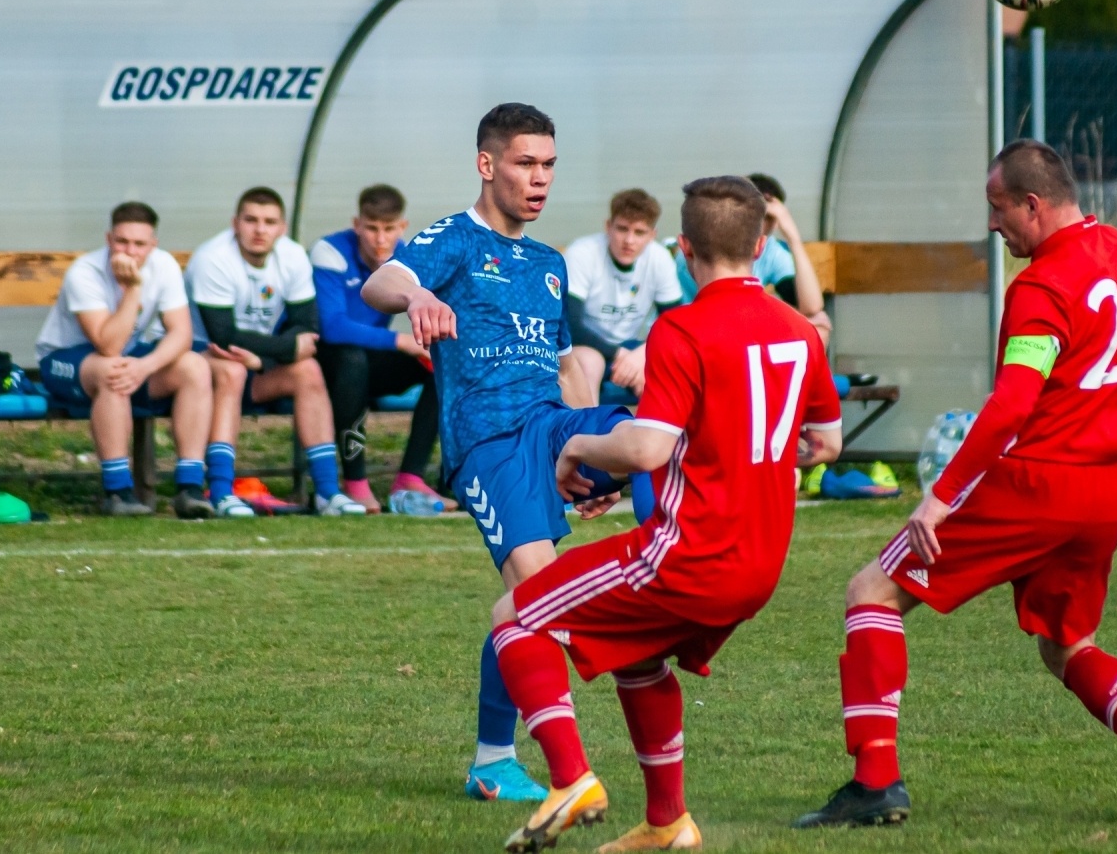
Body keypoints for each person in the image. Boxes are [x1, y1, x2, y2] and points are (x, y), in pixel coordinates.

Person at [794, 141, 1117, 828]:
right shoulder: (1116, 250)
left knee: (871, 589)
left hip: (1038, 484)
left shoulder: (1041, 287)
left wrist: (938, 495)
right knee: (1067, 643)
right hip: (1106, 492)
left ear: (1033, 204)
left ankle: (875, 784)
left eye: (998, 208)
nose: (993, 225)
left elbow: (1013, 405)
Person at [492, 175, 843, 853]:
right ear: (761, 243)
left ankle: (570, 778)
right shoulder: (803, 331)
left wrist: (575, 444)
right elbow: (825, 440)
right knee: (639, 655)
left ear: (684, 249)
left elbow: (648, 445)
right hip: (761, 564)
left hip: (689, 553)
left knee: (516, 615)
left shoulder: (682, 326)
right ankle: (667, 823)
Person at [362, 102, 655, 803]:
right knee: (539, 602)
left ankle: (659, 570)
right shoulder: (455, 239)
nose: (540, 178)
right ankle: (506, 761)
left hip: (550, 424)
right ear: (487, 164)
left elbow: (561, 366)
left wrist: (589, 449)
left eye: (549, 164)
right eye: (526, 162)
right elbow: (380, 283)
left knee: (647, 442)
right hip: (491, 444)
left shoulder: (549, 263)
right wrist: (420, 295)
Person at [188, 187, 367, 517]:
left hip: (256, 365)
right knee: (232, 369)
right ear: (235, 224)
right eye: (251, 220)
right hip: (200, 366)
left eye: (269, 222)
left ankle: (328, 493)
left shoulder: (292, 255)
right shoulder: (212, 258)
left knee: (308, 370)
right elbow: (222, 336)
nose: (259, 230)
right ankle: (222, 492)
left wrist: (265, 359)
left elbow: (306, 325)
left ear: (281, 228)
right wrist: (278, 351)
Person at [36, 201, 213, 518]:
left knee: (195, 367)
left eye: (140, 244)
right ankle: (118, 491)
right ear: (108, 239)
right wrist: (133, 290)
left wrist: (147, 366)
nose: (130, 251)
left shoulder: (165, 264)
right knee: (112, 370)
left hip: (127, 357)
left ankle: (189, 488)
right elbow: (108, 344)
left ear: (153, 245)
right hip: (63, 360)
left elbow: (181, 334)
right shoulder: (85, 271)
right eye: (122, 241)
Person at [310, 184, 448, 513]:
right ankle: (355, 483)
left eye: (389, 229)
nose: (380, 239)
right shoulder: (329, 251)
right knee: (352, 360)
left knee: (442, 364)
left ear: (402, 227)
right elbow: (333, 327)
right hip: (328, 362)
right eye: (371, 228)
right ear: (357, 225)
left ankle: (411, 477)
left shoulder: (406, 256)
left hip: (370, 360)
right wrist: (402, 341)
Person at [676, 172, 831, 342]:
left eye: (770, 218)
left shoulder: (771, 250)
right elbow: (723, 308)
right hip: (694, 330)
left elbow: (812, 307)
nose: (761, 224)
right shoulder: (706, 244)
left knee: (818, 323)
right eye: (758, 216)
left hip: (741, 324)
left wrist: (794, 238)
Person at [564, 188, 682, 402]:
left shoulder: (660, 258)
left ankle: (653, 433)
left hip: (631, 347)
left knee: (666, 363)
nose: (629, 240)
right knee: (591, 362)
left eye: (639, 232)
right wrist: (620, 355)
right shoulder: (582, 253)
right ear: (608, 226)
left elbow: (675, 323)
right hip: (587, 346)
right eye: (622, 229)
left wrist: (644, 353)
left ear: (652, 235)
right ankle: (587, 431)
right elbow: (569, 325)